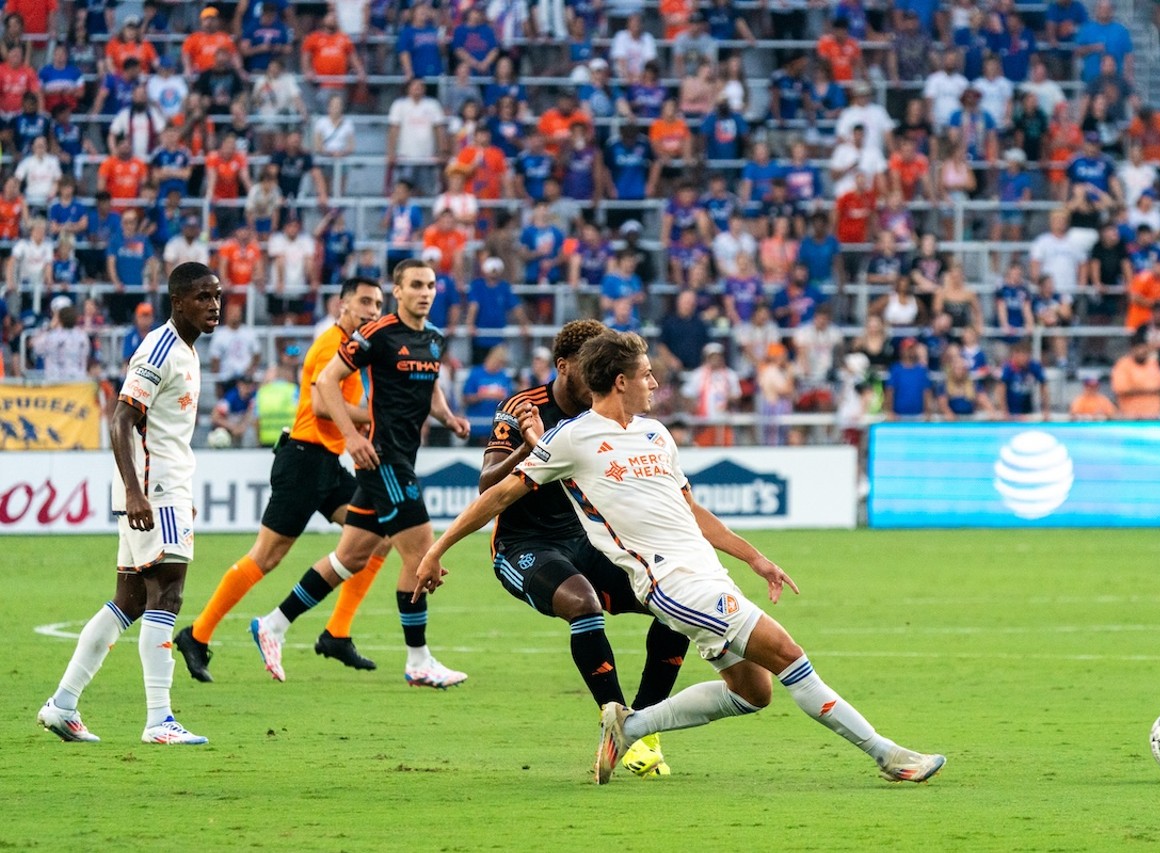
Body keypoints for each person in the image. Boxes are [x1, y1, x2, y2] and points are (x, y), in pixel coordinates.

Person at [414, 330, 945, 785]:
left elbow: (693, 510)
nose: (655, 383)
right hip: (669, 584)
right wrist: (435, 549)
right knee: (788, 654)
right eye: (646, 374)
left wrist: (755, 558)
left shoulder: (655, 433)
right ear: (620, 381)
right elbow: (496, 495)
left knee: (753, 692)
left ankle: (631, 725)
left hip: (707, 574)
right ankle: (889, 756)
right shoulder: (570, 439)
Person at [474, 319, 692, 777]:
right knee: (583, 604)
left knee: (678, 606)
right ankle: (613, 720)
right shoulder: (522, 407)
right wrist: (532, 446)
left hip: (586, 541)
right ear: (564, 366)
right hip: (523, 546)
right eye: (589, 363)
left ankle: (642, 729)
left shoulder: (607, 414)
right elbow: (487, 486)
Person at [248, 260, 470, 685]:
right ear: (399, 292)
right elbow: (327, 382)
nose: (425, 292)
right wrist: (352, 436)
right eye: (416, 286)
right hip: (383, 459)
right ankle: (419, 660)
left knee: (349, 557)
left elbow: (431, 388)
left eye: (431, 285)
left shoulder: (434, 340)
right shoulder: (376, 334)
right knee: (421, 556)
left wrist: (449, 417)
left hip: (403, 456)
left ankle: (273, 624)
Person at [37, 262, 221, 745]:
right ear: (177, 301)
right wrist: (139, 492)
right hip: (151, 492)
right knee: (169, 596)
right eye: (202, 297)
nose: (213, 305)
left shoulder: (185, 349)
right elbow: (121, 419)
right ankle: (159, 719)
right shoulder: (160, 349)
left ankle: (63, 704)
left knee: (131, 600)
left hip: (161, 489)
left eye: (217, 296)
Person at [175, 278, 393, 682]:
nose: (372, 310)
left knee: (379, 534)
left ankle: (338, 633)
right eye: (364, 301)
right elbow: (323, 407)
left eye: (378, 304)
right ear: (341, 305)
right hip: (303, 461)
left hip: (325, 463)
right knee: (267, 556)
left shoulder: (351, 347)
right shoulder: (332, 344)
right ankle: (197, 634)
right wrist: (382, 417)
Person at [1111, 329, 1160, 419]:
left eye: (1144, 348)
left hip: (1153, 416)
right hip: (1131, 417)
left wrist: (1138, 388)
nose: (1142, 351)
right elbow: (1121, 389)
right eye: (1139, 348)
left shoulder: (1152, 363)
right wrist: (1149, 389)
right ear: (1132, 349)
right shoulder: (1122, 365)